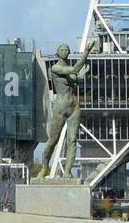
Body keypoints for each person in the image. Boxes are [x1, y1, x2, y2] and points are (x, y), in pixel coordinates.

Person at [35, 40, 95, 178]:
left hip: (74, 106)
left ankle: (67, 172)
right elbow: (73, 70)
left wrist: (81, 76)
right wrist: (86, 52)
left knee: (72, 140)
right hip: (60, 107)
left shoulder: (69, 69)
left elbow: (75, 80)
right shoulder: (55, 68)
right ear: (57, 53)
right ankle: (44, 168)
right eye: (62, 49)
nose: (65, 51)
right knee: (53, 140)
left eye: (67, 49)